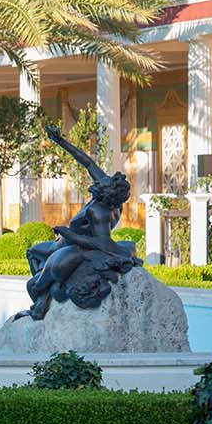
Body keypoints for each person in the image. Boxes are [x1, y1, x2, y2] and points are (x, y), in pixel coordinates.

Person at [15, 126, 137, 320]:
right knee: (36, 256)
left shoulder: (100, 211)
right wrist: (60, 141)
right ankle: (43, 294)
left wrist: (68, 234)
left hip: (66, 246)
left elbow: (102, 244)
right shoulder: (106, 195)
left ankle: (42, 296)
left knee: (33, 253)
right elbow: (87, 162)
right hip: (68, 243)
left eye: (103, 183)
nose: (98, 181)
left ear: (109, 194)